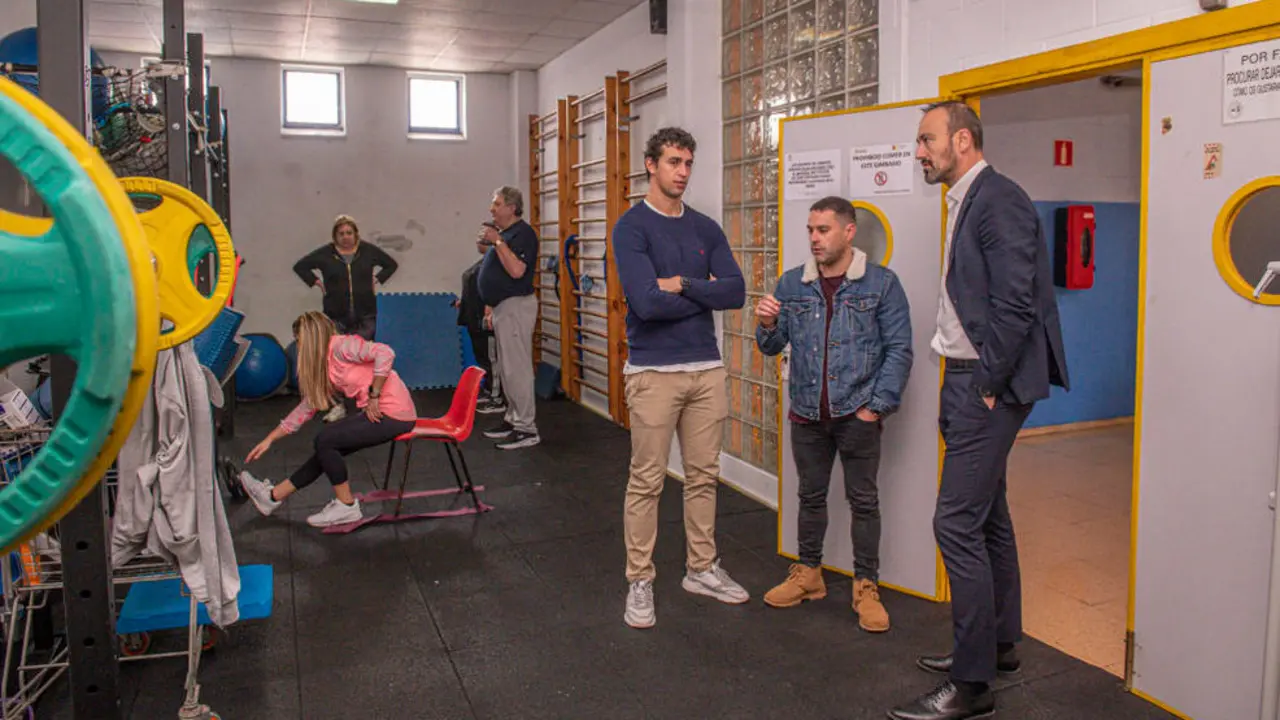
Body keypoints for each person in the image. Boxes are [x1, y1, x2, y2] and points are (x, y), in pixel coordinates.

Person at [888, 101, 1069, 720]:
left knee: (954, 523)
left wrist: (988, 384)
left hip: (985, 385)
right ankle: (999, 646)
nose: (919, 152)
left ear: (961, 140)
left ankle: (972, 687)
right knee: (988, 514)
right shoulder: (966, 198)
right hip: (962, 376)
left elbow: (1018, 304)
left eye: (926, 140)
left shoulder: (999, 198)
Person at [754, 196, 913, 633]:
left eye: (823, 230)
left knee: (864, 501)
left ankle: (866, 586)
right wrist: (766, 325)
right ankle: (809, 575)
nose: (814, 238)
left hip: (856, 413)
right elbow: (770, 347)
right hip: (806, 413)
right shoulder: (792, 285)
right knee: (810, 496)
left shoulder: (881, 284)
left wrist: (874, 409)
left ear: (848, 231)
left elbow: (900, 351)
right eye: (810, 230)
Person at [612, 127, 748, 630]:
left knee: (703, 476)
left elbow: (734, 293)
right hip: (653, 372)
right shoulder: (631, 229)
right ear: (651, 164)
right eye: (674, 162)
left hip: (705, 369)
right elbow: (645, 302)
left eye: (689, 163)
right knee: (646, 481)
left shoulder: (706, 228)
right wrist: (701, 292)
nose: (683, 172)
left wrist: (684, 284)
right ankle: (640, 579)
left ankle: (701, 567)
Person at [238, 311, 419, 529]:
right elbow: (305, 408)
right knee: (326, 449)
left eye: (300, 341)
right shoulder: (325, 365)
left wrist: (374, 395)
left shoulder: (342, 347)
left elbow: (385, 352)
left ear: (311, 338)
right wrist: (270, 439)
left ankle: (347, 506)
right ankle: (272, 497)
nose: (299, 347)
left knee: (326, 440)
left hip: (394, 413)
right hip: (379, 413)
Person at [477, 187, 540, 450]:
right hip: (503, 307)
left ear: (512, 207)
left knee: (518, 370)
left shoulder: (523, 234)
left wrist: (497, 242)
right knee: (506, 369)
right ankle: (513, 419)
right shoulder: (505, 235)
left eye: (497, 204)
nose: (492, 209)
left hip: (517, 307)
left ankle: (527, 428)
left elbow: (516, 271)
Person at [292, 214, 398, 342]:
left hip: (365, 314)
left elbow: (391, 265)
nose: (345, 237)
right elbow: (300, 266)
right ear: (335, 236)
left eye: (349, 233)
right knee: (338, 353)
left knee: (362, 352)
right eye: (341, 234)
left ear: (355, 234)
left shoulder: (367, 251)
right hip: (335, 316)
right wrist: (317, 282)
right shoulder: (326, 253)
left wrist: (377, 278)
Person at [456, 234, 503, 415]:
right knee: (482, 357)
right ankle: (489, 389)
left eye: (482, 237)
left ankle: (496, 397)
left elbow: (493, 291)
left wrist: (489, 311)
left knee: (492, 359)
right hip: (472, 317)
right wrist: (464, 301)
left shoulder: (495, 265)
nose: (478, 240)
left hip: (484, 319)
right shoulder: (481, 264)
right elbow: (475, 289)